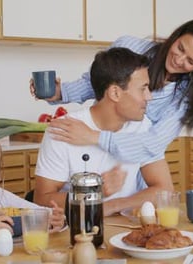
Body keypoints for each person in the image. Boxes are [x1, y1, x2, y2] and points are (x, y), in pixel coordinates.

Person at [30, 18, 193, 164]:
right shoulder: (131, 46)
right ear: (176, 37)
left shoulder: (185, 98)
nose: (179, 59)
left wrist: (94, 136)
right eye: (180, 48)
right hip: (91, 151)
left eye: (191, 61)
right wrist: (59, 92)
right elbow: (97, 82)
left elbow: (153, 144)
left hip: (132, 167)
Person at [33, 47, 174, 217]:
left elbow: (164, 190)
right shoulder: (63, 130)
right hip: (78, 230)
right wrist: (95, 193)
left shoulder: (142, 126)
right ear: (115, 93)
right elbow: (42, 199)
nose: (149, 97)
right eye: (143, 89)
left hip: (124, 226)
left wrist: (114, 205)